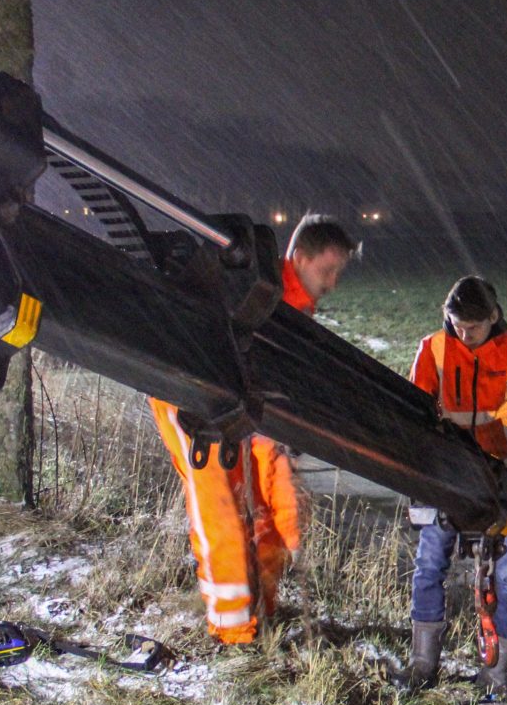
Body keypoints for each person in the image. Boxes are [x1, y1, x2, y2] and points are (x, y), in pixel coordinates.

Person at [150, 214, 357, 644]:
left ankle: (261, 607)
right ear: (300, 258)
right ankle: (233, 634)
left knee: (272, 511)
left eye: (339, 273)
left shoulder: (288, 309)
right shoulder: (262, 298)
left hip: (235, 410)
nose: (334, 283)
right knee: (221, 511)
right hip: (193, 403)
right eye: (328, 270)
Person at [406, 275, 507, 695]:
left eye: (472, 326)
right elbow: (412, 413)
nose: (464, 333)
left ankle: (497, 678)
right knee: (428, 568)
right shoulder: (433, 349)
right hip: (446, 476)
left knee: (505, 580)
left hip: (503, 480)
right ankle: (423, 665)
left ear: (493, 317)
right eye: (456, 324)